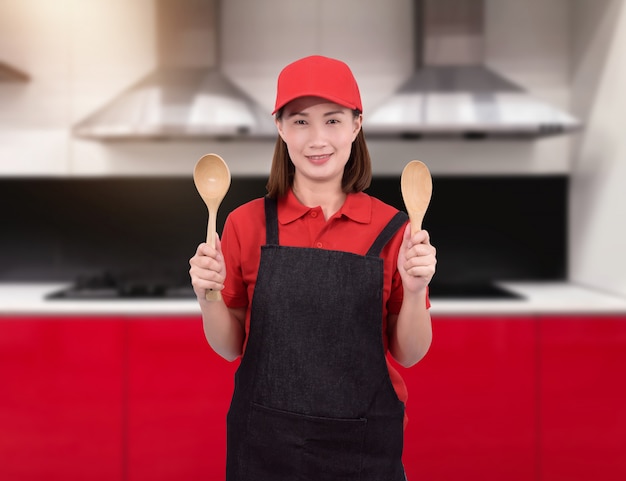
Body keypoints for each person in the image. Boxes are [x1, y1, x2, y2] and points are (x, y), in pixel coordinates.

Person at [189, 54, 436, 481]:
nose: (317, 138)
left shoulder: (396, 228)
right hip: (264, 449)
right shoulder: (244, 223)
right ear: (280, 128)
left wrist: (414, 290)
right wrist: (206, 297)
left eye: (333, 120)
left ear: (357, 125)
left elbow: (409, 354)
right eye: (300, 121)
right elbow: (230, 347)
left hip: (363, 450)